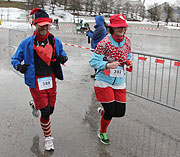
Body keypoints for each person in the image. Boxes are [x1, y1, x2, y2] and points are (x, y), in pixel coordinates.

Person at [11, 8, 68, 151]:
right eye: (40, 25)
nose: (43, 28)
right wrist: (19, 66)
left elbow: (62, 53)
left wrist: (63, 58)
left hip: (51, 80)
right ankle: (48, 138)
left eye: (46, 25)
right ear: (34, 25)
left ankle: (35, 105)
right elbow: (15, 58)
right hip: (36, 82)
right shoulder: (27, 43)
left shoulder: (55, 41)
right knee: (46, 112)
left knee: (51, 109)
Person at [89, 14, 133, 145]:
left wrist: (129, 62)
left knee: (120, 112)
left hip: (119, 81)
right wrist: (107, 65)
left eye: (123, 27)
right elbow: (93, 62)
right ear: (111, 28)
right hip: (104, 81)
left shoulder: (128, 42)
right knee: (110, 111)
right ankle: (102, 132)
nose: (121, 29)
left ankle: (103, 112)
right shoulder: (105, 42)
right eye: (118, 27)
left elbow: (128, 55)